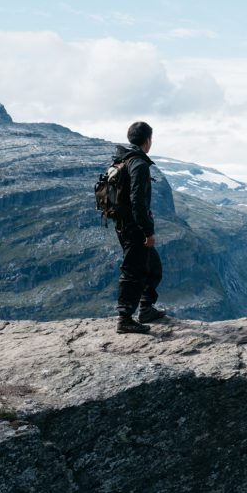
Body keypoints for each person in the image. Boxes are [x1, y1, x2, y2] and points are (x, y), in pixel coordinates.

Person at [112, 121, 165, 334]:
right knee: (133, 272)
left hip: (124, 224)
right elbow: (138, 201)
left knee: (153, 267)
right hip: (135, 228)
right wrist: (147, 231)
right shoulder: (139, 164)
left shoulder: (122, 160)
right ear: (148, 140)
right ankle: (125, 319)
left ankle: (146, 308)